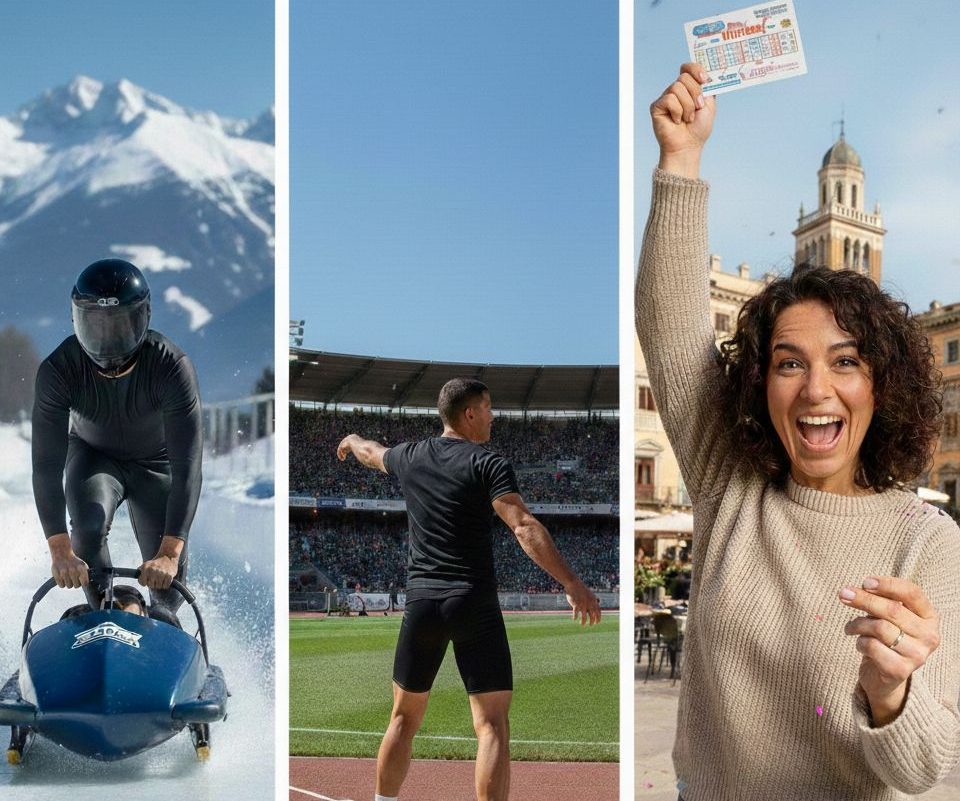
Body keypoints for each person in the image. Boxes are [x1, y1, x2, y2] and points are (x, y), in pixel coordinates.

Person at [636, 64, 960, 800]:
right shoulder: (731, 487)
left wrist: (891, 693)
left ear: (883, 385)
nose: (816, 388)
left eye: (845, 362)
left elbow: (922, 768)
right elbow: (665, 320)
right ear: (762, 382)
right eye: (789, 363)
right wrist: (680, 161)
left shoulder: (930, 543)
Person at [337, 378, 602, 801]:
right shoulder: (487, 463)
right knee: (491, 725)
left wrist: (351, 439)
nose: (494, 416)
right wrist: (572, 583)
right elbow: (523, 525)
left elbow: (372, 453)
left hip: (421, 601)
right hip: (472, 601)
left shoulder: (410, 455)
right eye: (489, 407)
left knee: (403, 719)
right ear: (470, 413)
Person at [31, 258, 204, 615]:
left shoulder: (171, 366)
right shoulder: (58, 370)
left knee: (168, 594)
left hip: (157, 465)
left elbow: (187, 465)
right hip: (94, 459)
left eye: (120, 325)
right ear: (77, 321)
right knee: (88, 529)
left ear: (143, 319)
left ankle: (153, 615)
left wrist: (170, 553)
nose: (108, 338)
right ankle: (112, 610)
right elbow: (47, 466)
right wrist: (61, 550)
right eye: (96, 325)